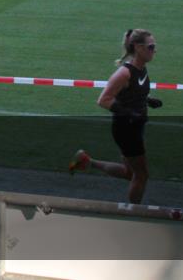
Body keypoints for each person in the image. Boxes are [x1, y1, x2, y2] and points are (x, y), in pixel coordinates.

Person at [69, 28, 163, 204]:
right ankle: (133, 214)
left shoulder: (142, 69)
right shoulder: (124, 73)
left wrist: (148, 100)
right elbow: (103, 100)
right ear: (138, 48)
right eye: (151, 46)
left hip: (135, 126)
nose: (154, 50)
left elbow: (132, 93)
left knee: (130, 173)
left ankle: (86, 161)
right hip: (126, 129)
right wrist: (130, 113)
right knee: (141, 175)